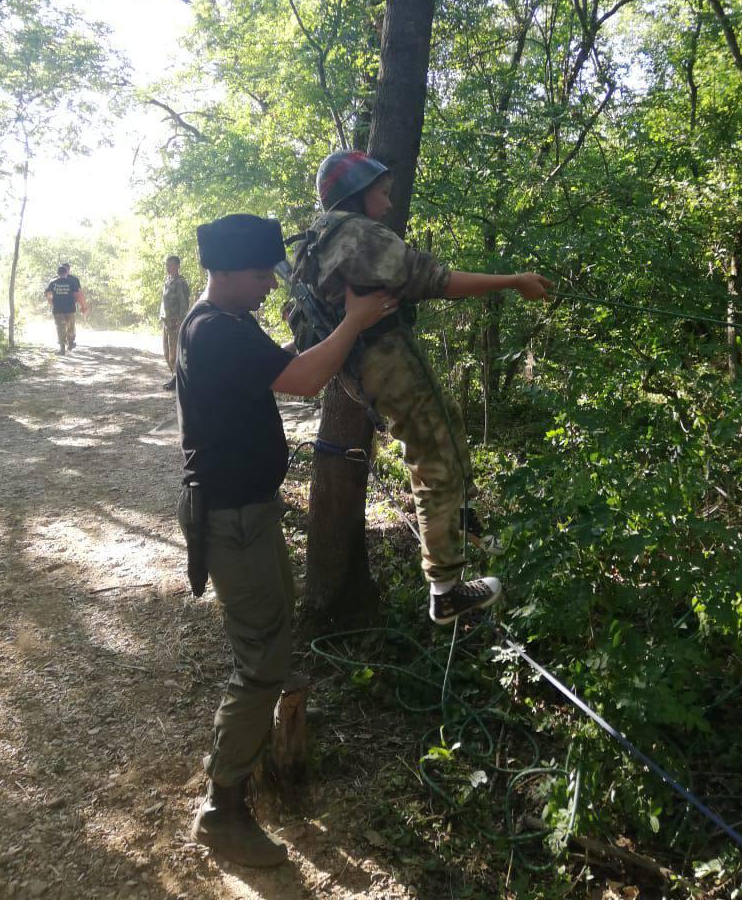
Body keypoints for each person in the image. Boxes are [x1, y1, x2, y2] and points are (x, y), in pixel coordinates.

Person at [176, 213, 396, 868]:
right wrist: (355, 320)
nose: (270, 287)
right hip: (232, 519)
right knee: (261, 661)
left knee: (273, 634)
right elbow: (301, 379)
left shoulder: (228, 321)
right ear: (231, 273)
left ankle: (251, 765)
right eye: (261, 275)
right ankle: (224, 811)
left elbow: (287, 364)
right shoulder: (215, 330)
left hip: (249, 513)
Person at [303, 151, 552, 626]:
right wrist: (513, 281)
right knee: (434, 456)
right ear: (356, 194)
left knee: (443, 432)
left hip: (364, 367)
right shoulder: (357, 235)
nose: (388, 199)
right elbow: (436, 280)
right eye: (381, 191)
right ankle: (447, 589)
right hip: (387, 360)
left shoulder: (323, 237)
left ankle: (457, 517)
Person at [160, 254, 191, 390]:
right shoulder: (168, 280)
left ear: (178, 266)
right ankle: (173, 376)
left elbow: (184, 304)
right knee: (166, 352)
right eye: (167, 265)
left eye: (171, 265)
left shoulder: (180, 283)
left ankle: (178, 380)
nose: (168, 267)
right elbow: (164, 301)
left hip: (175, 322)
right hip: (166, 322)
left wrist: (180, 321)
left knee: (174, 353)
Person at [44, 263, 86, 354]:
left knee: (60, 328)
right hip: (70, 309)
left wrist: (51, 303)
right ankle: (70, 343)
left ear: (58, 273)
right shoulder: (72, 282)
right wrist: (82, 307)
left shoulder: (53, 282)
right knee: (70, 327)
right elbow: (77, 295)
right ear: (67, 272)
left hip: (58, 309)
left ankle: (62, 348)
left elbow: (47, 294)